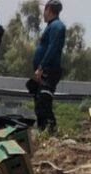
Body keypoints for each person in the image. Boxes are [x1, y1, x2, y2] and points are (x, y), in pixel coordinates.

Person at [32, 0, 66, 133]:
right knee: (39, 101)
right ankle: (42, 131)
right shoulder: (51, 26)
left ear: (49, 9)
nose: (43, 13)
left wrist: (41, 66)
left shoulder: (57, 26)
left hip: (49, 71)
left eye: (44, 10)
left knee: (44, 101)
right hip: (44, 71)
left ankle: (51, 131)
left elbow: (52, 48)